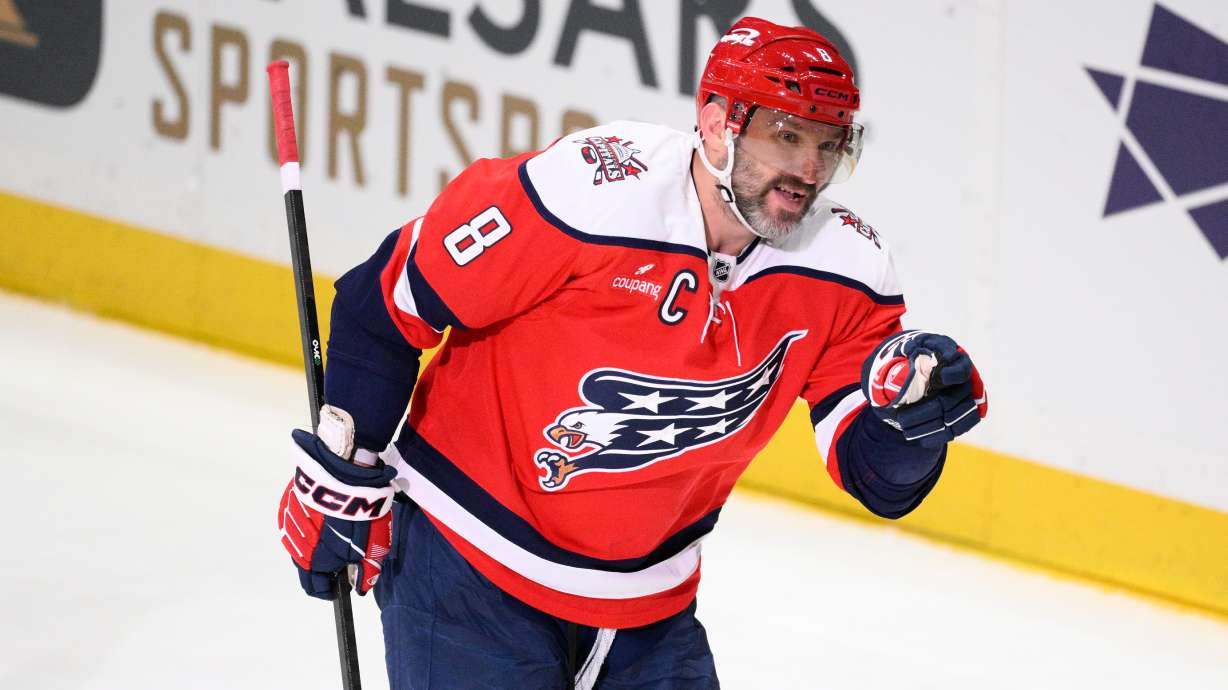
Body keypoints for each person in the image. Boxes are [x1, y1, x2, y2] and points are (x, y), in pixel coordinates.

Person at [276, 16, 987, 689]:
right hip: (468, 569)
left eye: (828, 144)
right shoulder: (588, 194)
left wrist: (913, 424)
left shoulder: (845, 268)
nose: (808, 167)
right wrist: (348, 467)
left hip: (650, 609)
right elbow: (385, 299)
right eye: (786, 135)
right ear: (715, 123)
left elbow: (876, 477)